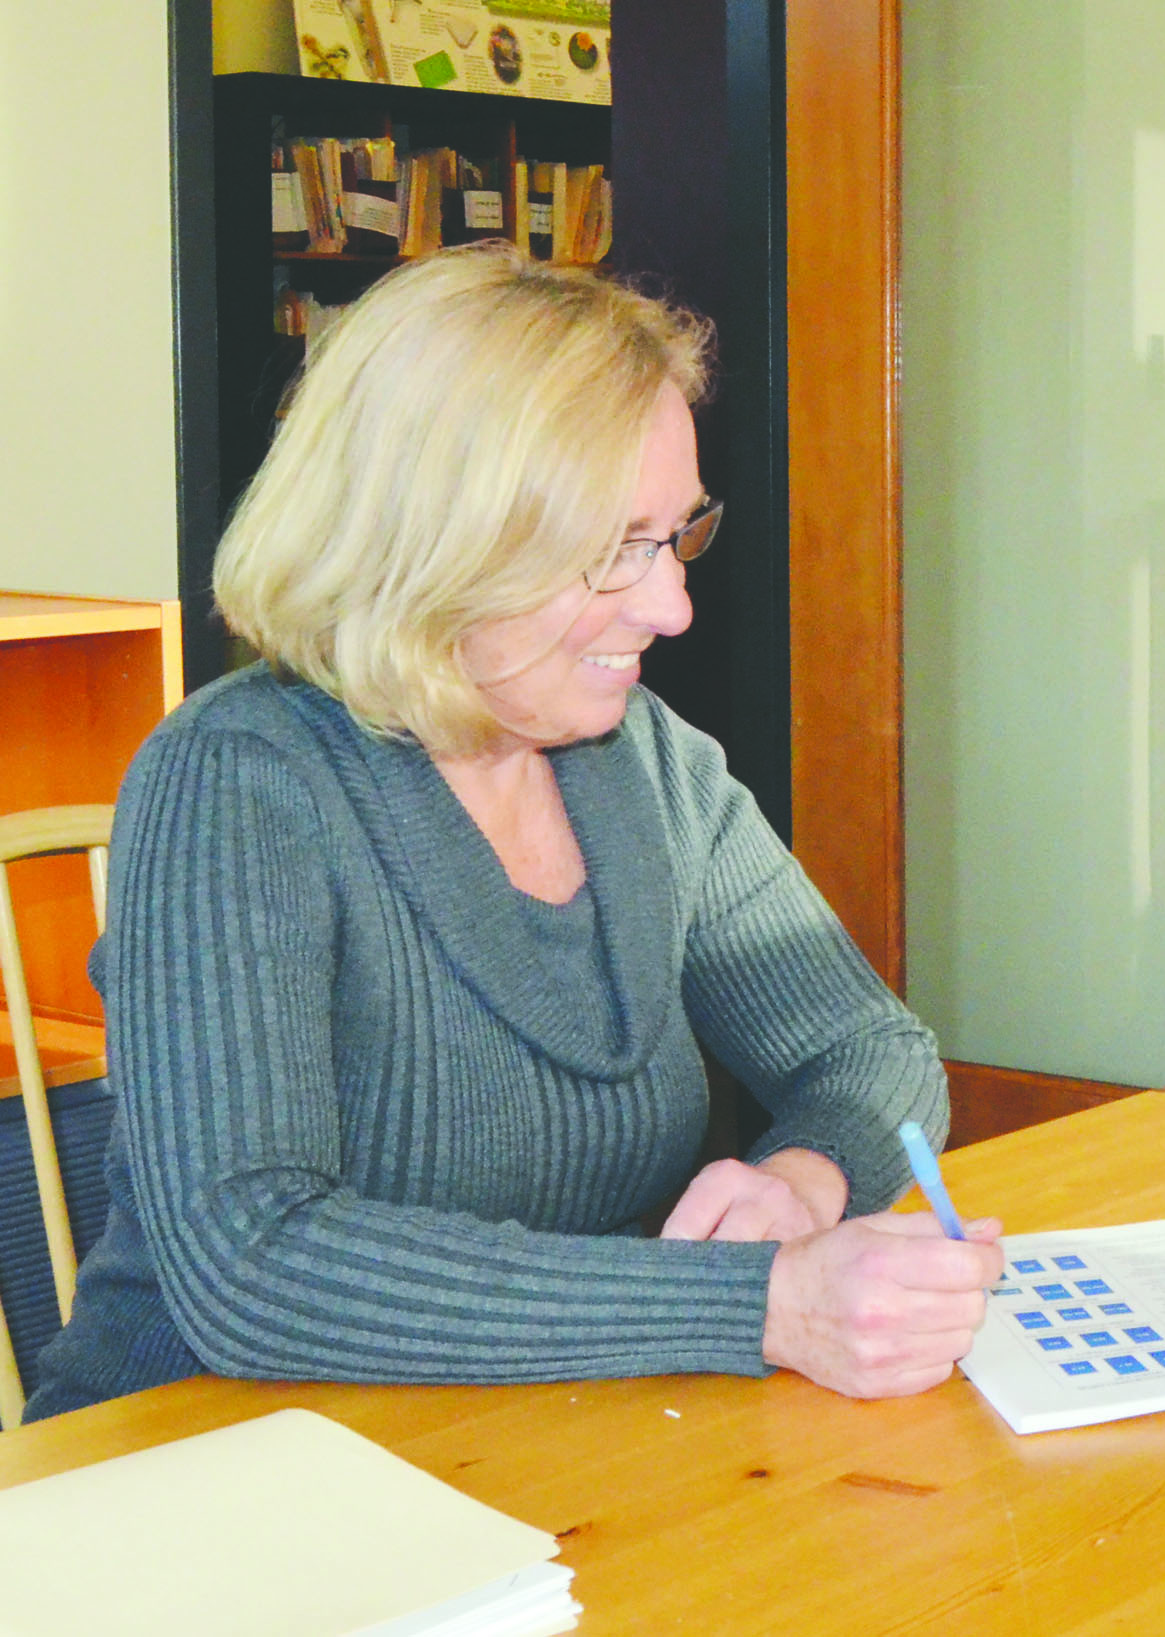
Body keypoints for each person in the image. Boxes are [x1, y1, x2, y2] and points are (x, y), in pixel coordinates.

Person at [30, 244, 1001, 1419]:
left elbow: (871, 1053)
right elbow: (253, 1261)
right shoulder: (238, 783)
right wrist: (761, 1305)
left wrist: (805, 1180)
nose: (672, 604)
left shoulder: (643, 759)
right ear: (438, 543)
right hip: (195, 1471)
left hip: (538, 1438)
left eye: (676, 533)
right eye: (612, 549)